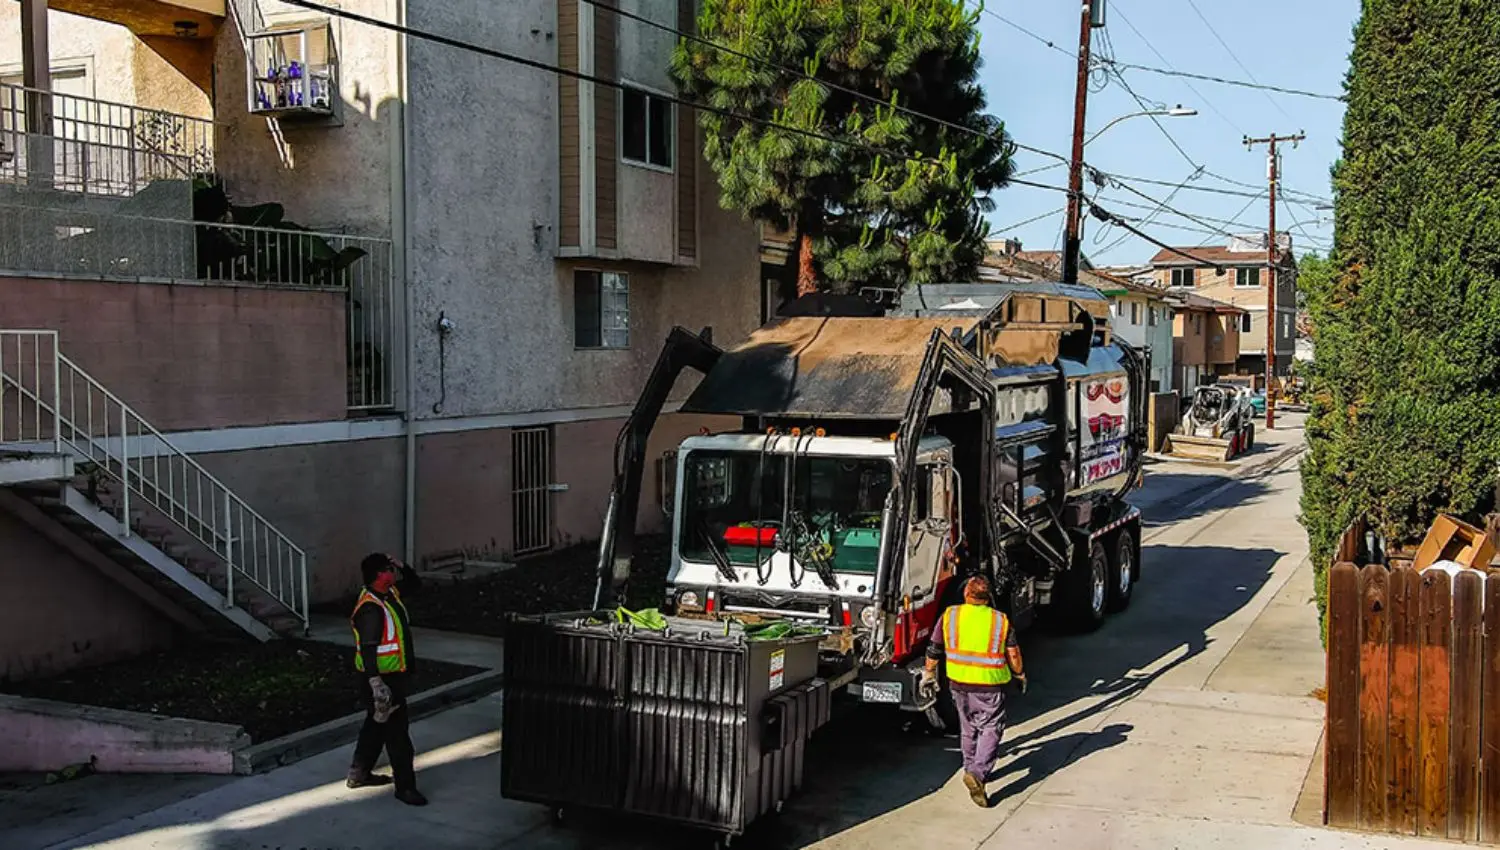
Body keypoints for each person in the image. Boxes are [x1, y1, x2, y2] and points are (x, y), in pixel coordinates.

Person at [919, 574, 1027, 808]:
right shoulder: (999, 620)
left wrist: (928, 673)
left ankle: (969, 768)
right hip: (988, 684)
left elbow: (934, 649)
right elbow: (1014, 653)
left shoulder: (951, 616)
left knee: (968, 727)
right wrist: (1019, 675)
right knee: (991, 727)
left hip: (958, 682)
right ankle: (977, 774)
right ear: (988, 598)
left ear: (967, 595)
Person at [347, 552, 427, 806]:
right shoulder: (371, 608)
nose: (394, 573)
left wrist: (403, 566)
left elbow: (415, 585)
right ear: (380, 575)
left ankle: (359, 774)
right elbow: (369, 648)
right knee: (398, 735)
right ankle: (406, 788)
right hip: (382, 681)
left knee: (375, 725)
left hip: (390, 677)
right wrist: (376, 684)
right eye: (390, 569)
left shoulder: (389, 596)